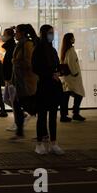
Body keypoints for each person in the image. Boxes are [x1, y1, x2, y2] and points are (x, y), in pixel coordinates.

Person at [32, 24, 64, 155]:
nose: (52, 35)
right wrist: (50, 74)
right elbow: (35, 68)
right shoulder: (38, 49)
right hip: (43, 86)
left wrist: (59, 71)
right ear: (44, 34)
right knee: (42, 116)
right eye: (50, 33)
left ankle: (53, 143)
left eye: (52, 33)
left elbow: (57, 65)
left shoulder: (52, 50)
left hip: (53, 87)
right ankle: (39, 143)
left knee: (52, 116)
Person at [9, 24, 38, 140]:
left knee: (28, 106)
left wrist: (15, 62)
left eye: (17, 32)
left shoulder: (27, 44)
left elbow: (29, 63)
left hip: (27, 82)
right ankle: (20, 131)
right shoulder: (20, 45)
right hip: (20, 82)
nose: (15, 34)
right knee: (18, 104)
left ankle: (41, 131)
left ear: (22, 33)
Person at [59, 33, 86, 122]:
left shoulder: (64, 50)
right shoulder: (71, 51)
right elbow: (72, 64)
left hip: (67, 78)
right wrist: (75, 73)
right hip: (72, 78)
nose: (74, 39)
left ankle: (66, 114)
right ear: (70, 40)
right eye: (73, 38)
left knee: (66, 96)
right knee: (79, 94)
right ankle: (75, 113)